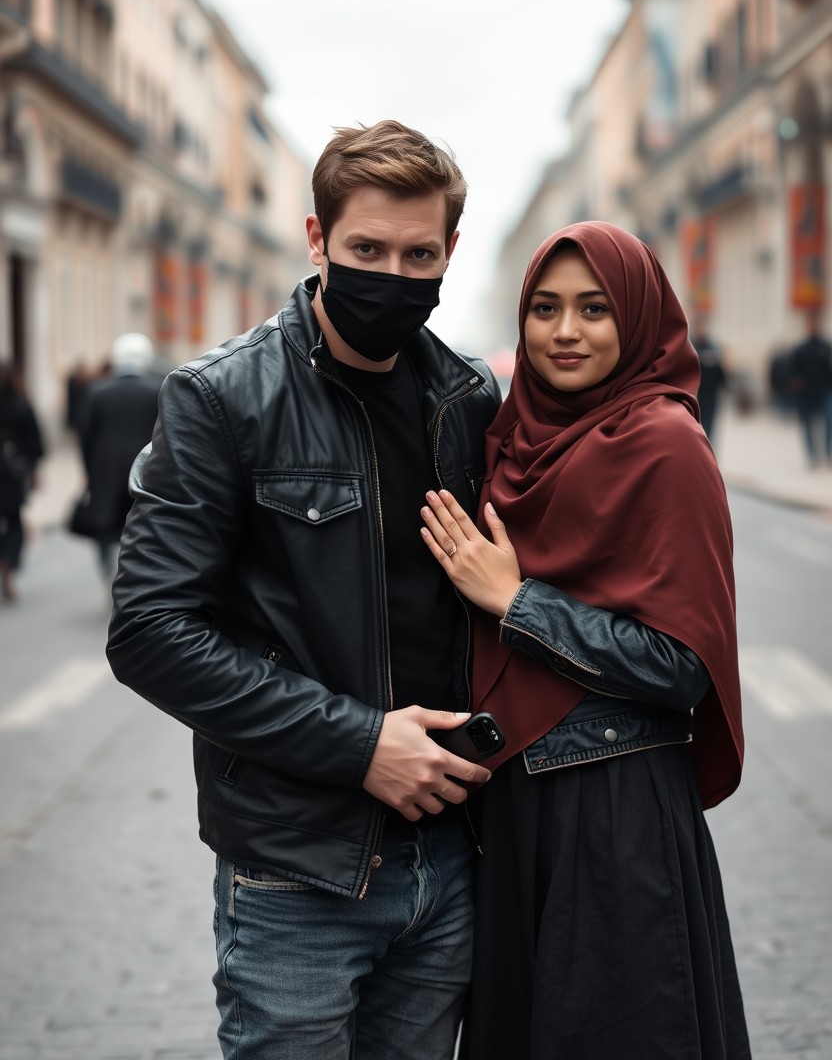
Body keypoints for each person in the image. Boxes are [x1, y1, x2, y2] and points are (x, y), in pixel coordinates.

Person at [106, 120, 501, 1060]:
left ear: (450, 254)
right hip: (298, 872)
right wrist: (361, 744)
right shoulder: (219, 397)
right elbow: (151, 631)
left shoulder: (470, 400)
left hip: (449, 860)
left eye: (418, 254)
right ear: (318, 238)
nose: (391, 274)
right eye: (366, 249)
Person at [421, 221, 750, 1059]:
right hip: (515, 807)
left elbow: (682, 666)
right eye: (546, 308)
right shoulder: (510, 442)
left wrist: (517, 601)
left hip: (614, 810)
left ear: (637, 316)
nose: (565, 332)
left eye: (595, 308)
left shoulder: (666, 444)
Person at [77, 332, 161, 579]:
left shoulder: (97, 391)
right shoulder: (158, 388)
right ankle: (137, 573)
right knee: (142, 524)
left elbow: (85, 436)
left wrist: (89, 471)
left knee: (105, 523)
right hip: (147, 469)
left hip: (105, 470)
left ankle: (107, 569)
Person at [0, 362, 45, 602]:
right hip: (11, 474)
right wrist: (34, 471)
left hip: (10, 472)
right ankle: (8, 560)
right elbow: (35, 441)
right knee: (14, 521)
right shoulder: (20, 404)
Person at [788, 311, 832, 467]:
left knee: (828, 421)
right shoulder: (801, 349)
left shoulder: (825, 347)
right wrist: (796, 383)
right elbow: (792, 373)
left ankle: (828, 453)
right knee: (807, 425)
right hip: (806, 394)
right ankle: (812, 455)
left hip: (824, 391)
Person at [690, 316, 728, 441]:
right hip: (697, 392)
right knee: (697, 423)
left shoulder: (713, 347)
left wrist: (725, 384)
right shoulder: (690, 345)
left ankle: (708, 446)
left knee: (710, 423)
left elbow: (721, 369)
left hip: (712, 393)